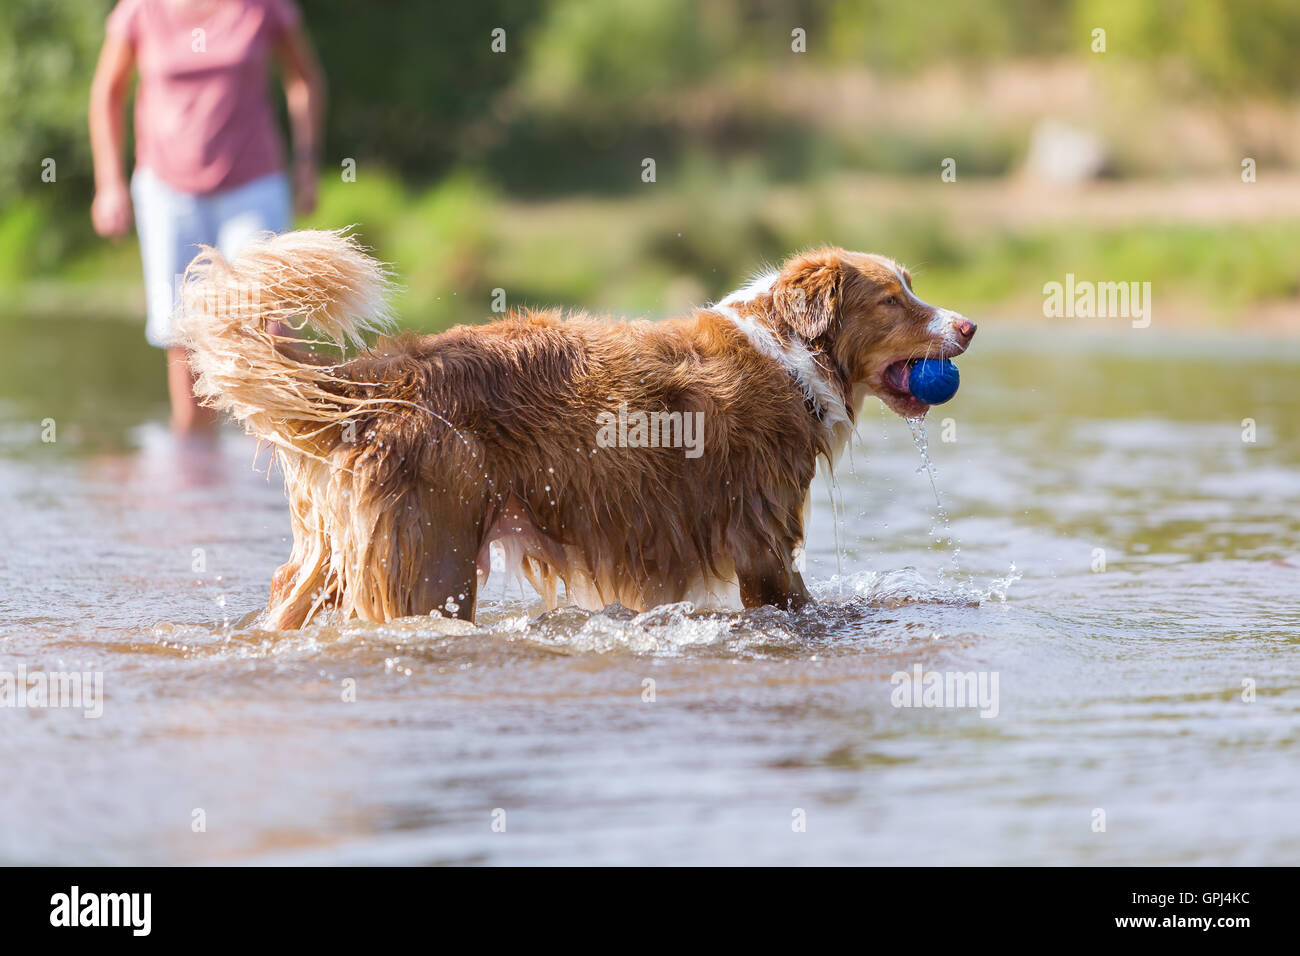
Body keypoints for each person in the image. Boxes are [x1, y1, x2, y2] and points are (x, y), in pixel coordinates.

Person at [89, 0, 325, 433]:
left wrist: (307, 165)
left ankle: (290, 450)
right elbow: (108, 91)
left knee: (271, 323)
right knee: (185, 334)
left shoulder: (264, 7)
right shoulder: (142, 9)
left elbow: (303, 79)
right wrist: (109, 184)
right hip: (166, 185)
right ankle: (196, 475)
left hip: (253, 181)